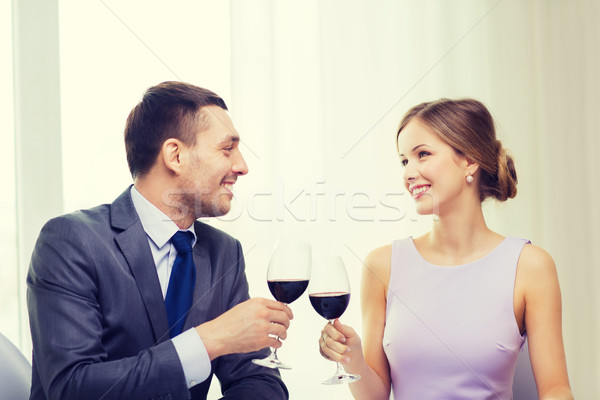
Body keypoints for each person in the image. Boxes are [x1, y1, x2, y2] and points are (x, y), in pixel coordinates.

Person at [27, 81, 292, 400]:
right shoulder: (71, 241)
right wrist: (209, 340)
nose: (242, 166)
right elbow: (72, 388)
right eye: (227, 148)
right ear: (175, 156)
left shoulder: (224, 252)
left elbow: (261, 382)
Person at [318, 98, 573, 399]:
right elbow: (374, 396)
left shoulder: (530, 266)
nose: (408, 173)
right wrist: (352, 356)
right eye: (404, 161)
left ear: (470, 160)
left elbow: (556, 389)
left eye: (422, 154)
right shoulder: (382, 265)